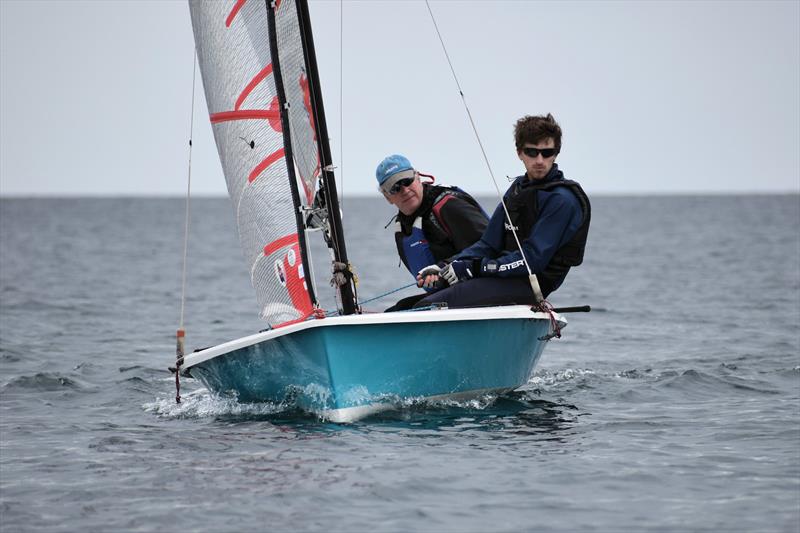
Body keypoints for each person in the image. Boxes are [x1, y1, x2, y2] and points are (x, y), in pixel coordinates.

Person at [414, 114, 590, 308]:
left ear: (556, 153)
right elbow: (487, 245)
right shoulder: (518, 190)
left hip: (529, 286)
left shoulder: (561, 200)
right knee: (407, 305)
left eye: (547, 153)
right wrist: (445, 266)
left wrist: (475, 268)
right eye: (532, 152)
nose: (540, 160)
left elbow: (531, 260)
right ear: (519, 152)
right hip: (501, 278)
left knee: (426, 306)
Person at [375, 154, 489, 311]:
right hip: (454, 292)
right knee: (397, 309)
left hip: (487, 284)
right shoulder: (404, 226)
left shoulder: (450, 206)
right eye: (395, 188)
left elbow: (491, 246)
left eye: (407, 181)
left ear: (418, 178)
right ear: (387, 197)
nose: (405, 190)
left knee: (421, 307)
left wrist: (444, 266)